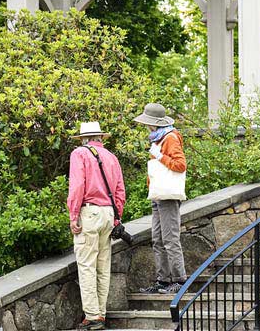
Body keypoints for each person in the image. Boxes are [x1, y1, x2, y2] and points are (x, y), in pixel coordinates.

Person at [67, 121, 126, 330]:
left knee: (86, 265)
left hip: (89, 212)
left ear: (83, 139)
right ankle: (101, 312)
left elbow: (77, 186)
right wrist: (117, 216)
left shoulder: (79, 154)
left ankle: (92, 316)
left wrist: (74, 215)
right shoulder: (111, 157)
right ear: (101, 138)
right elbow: (120, 191)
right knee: (103, 265)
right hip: (109, 214)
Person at [134, 103, 187, 294]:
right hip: (158, 195)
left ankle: (180, 281)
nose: (145, 126)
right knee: (157, 239)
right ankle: (163, 280)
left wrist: (160, 156)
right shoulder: (159, 138)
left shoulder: (170, 138)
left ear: (154, 123)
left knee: (170, 239)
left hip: (168, 196)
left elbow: (180, 165)